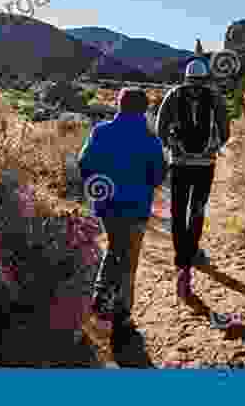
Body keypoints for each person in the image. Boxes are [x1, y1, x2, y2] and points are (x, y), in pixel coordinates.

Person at [78, 87, 168, 351]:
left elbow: (84, 164)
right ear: (143, 109)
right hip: (137, 208)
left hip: (107, 206)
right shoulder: (150, 138)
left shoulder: (101, 131)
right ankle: (120, 314)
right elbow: (159, 174)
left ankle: (101, 301)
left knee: (115, 249)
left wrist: (99, 187)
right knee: (128, 258)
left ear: (119, 104)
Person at [155, 57, 230, 299]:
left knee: (177, 210)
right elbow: (225, 130)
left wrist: (172, 145)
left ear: (186, 78)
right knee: (197, 209)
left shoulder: (174, 95)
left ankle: (182, 260)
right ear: (205, 78)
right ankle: (192, 251)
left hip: (179, 163)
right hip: (205, 165)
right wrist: (213, 147)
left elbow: (160, 128)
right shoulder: (215, 97)